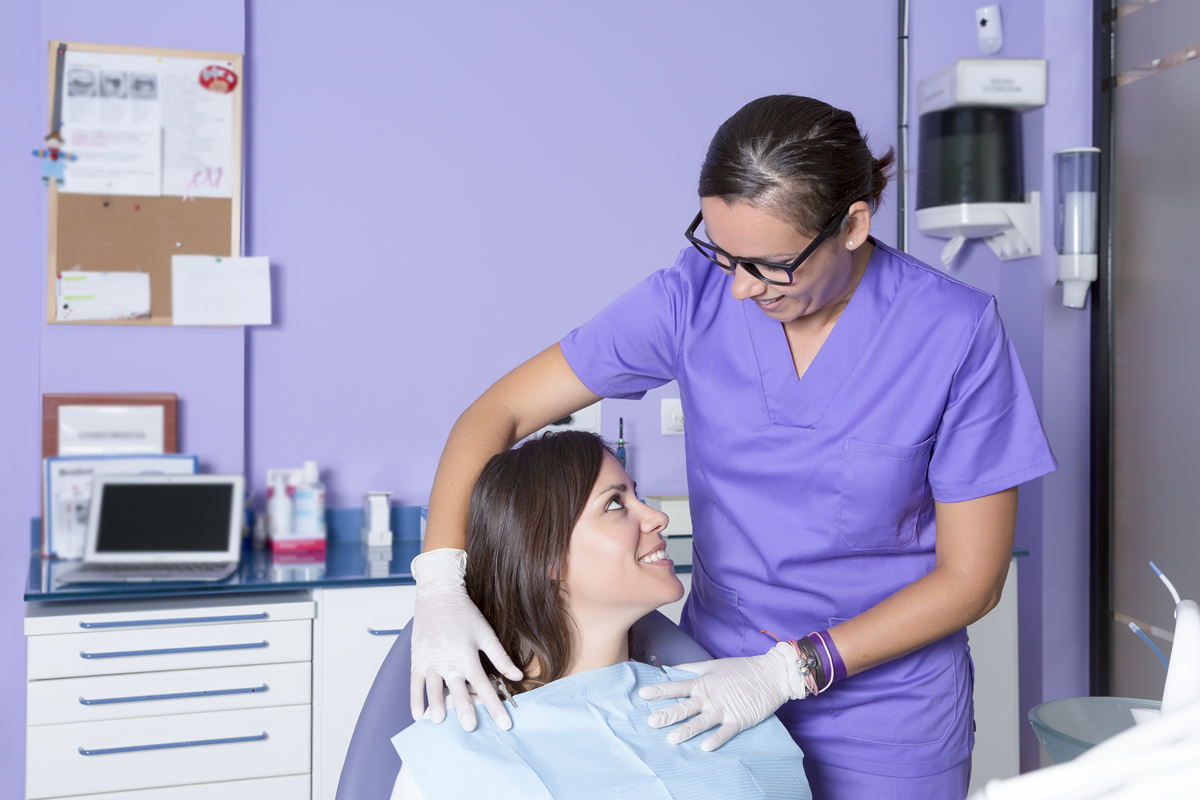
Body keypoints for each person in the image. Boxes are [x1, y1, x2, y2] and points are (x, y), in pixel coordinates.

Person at [409, 95, 1057, 800]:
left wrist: (789, 671)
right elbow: (494, 413)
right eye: (722, 255)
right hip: (706, 695)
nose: (740, 289)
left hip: (886, 718)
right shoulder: (694, 298)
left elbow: (973, 579)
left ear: (852, 225)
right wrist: (440, 582)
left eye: (768, 265)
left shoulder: (954, 333)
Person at [393, 432, 811, 799]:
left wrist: (789, 670)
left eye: (635, 495)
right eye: (615, 503)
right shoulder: (458, 752)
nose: (657, 517)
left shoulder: (723, 699)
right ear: (545, 556)